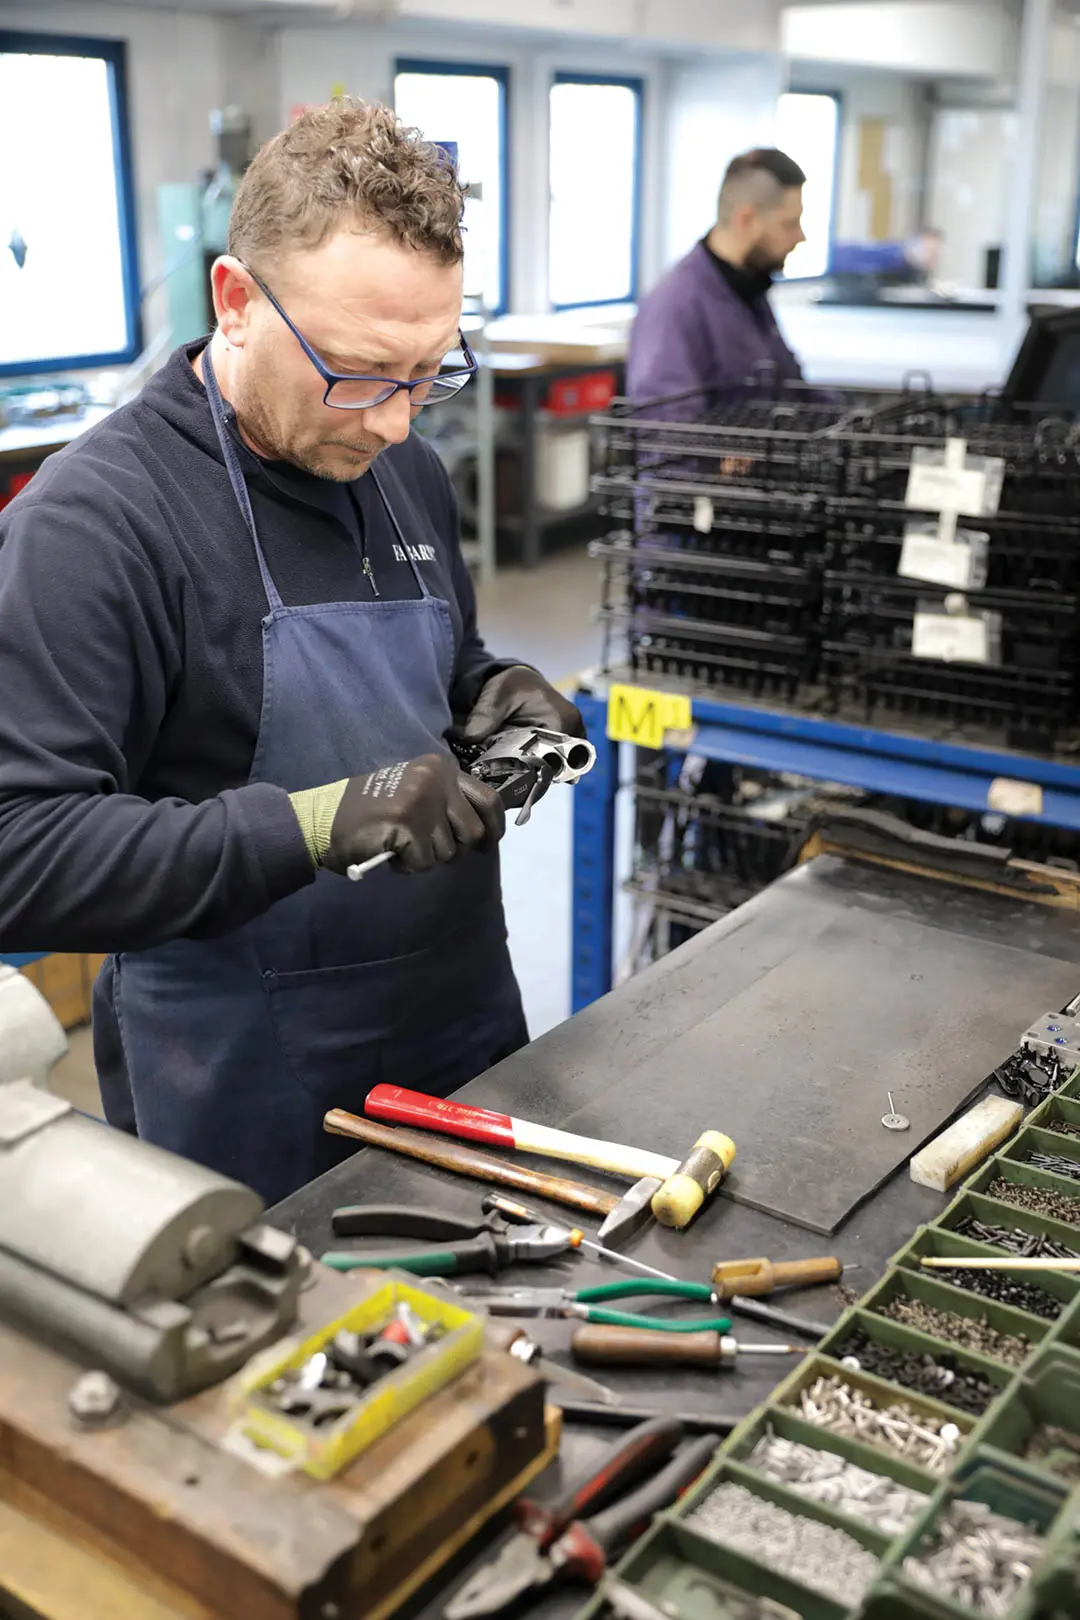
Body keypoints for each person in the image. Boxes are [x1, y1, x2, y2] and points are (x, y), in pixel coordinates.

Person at [0, 99, 583, 1205]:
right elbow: (17, 852)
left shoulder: (388, 454)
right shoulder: (96, 525)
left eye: (429, 373)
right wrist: (312, 821)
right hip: (246, 1086)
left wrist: (492, 689)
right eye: (360, 372)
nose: (397, 423)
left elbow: (434, 665)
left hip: (460, 1022)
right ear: (234, 302)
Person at [627, 148, 809, 406]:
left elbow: (795, 390)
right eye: (789, 224)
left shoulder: (748, 290)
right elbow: (667, 431)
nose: (800, 237)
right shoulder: (675, 306)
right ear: (746, 220)